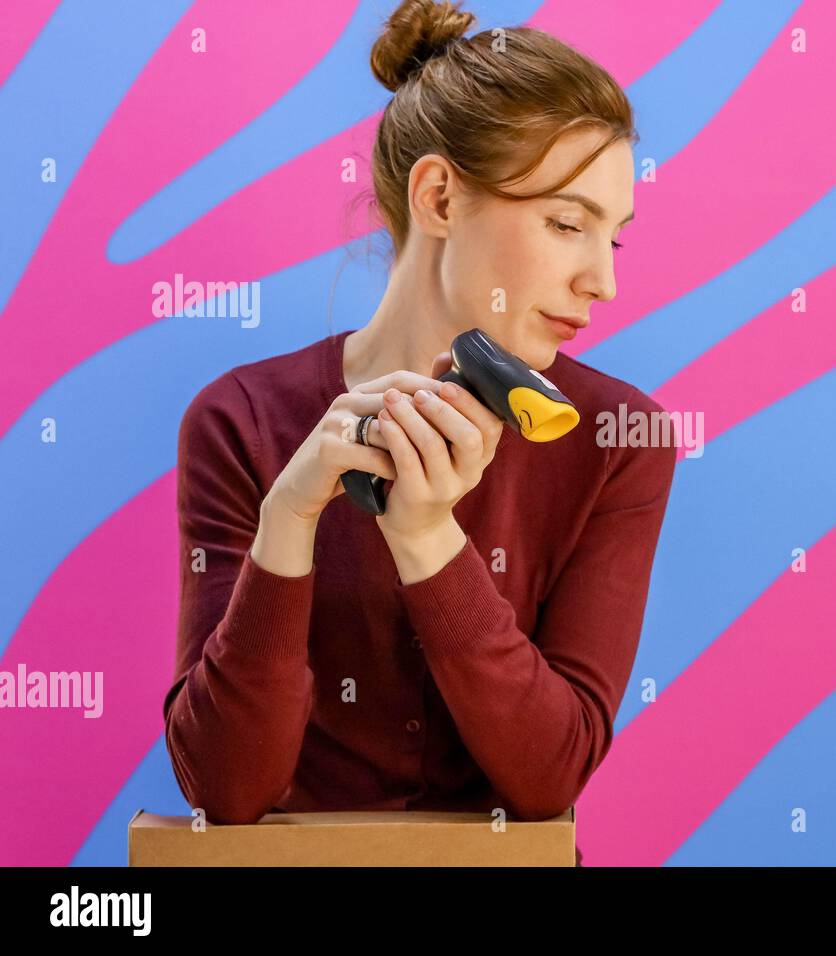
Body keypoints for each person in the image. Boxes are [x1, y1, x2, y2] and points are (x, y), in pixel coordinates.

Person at [163, 0, 676, 869]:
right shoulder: (239, 422)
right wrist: (289, 519)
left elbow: (549, 777)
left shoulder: (618, 441)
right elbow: (226, 789)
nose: (603, 282)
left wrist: (429, 539)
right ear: (438, 195)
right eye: (566, 223)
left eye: (615, 237)